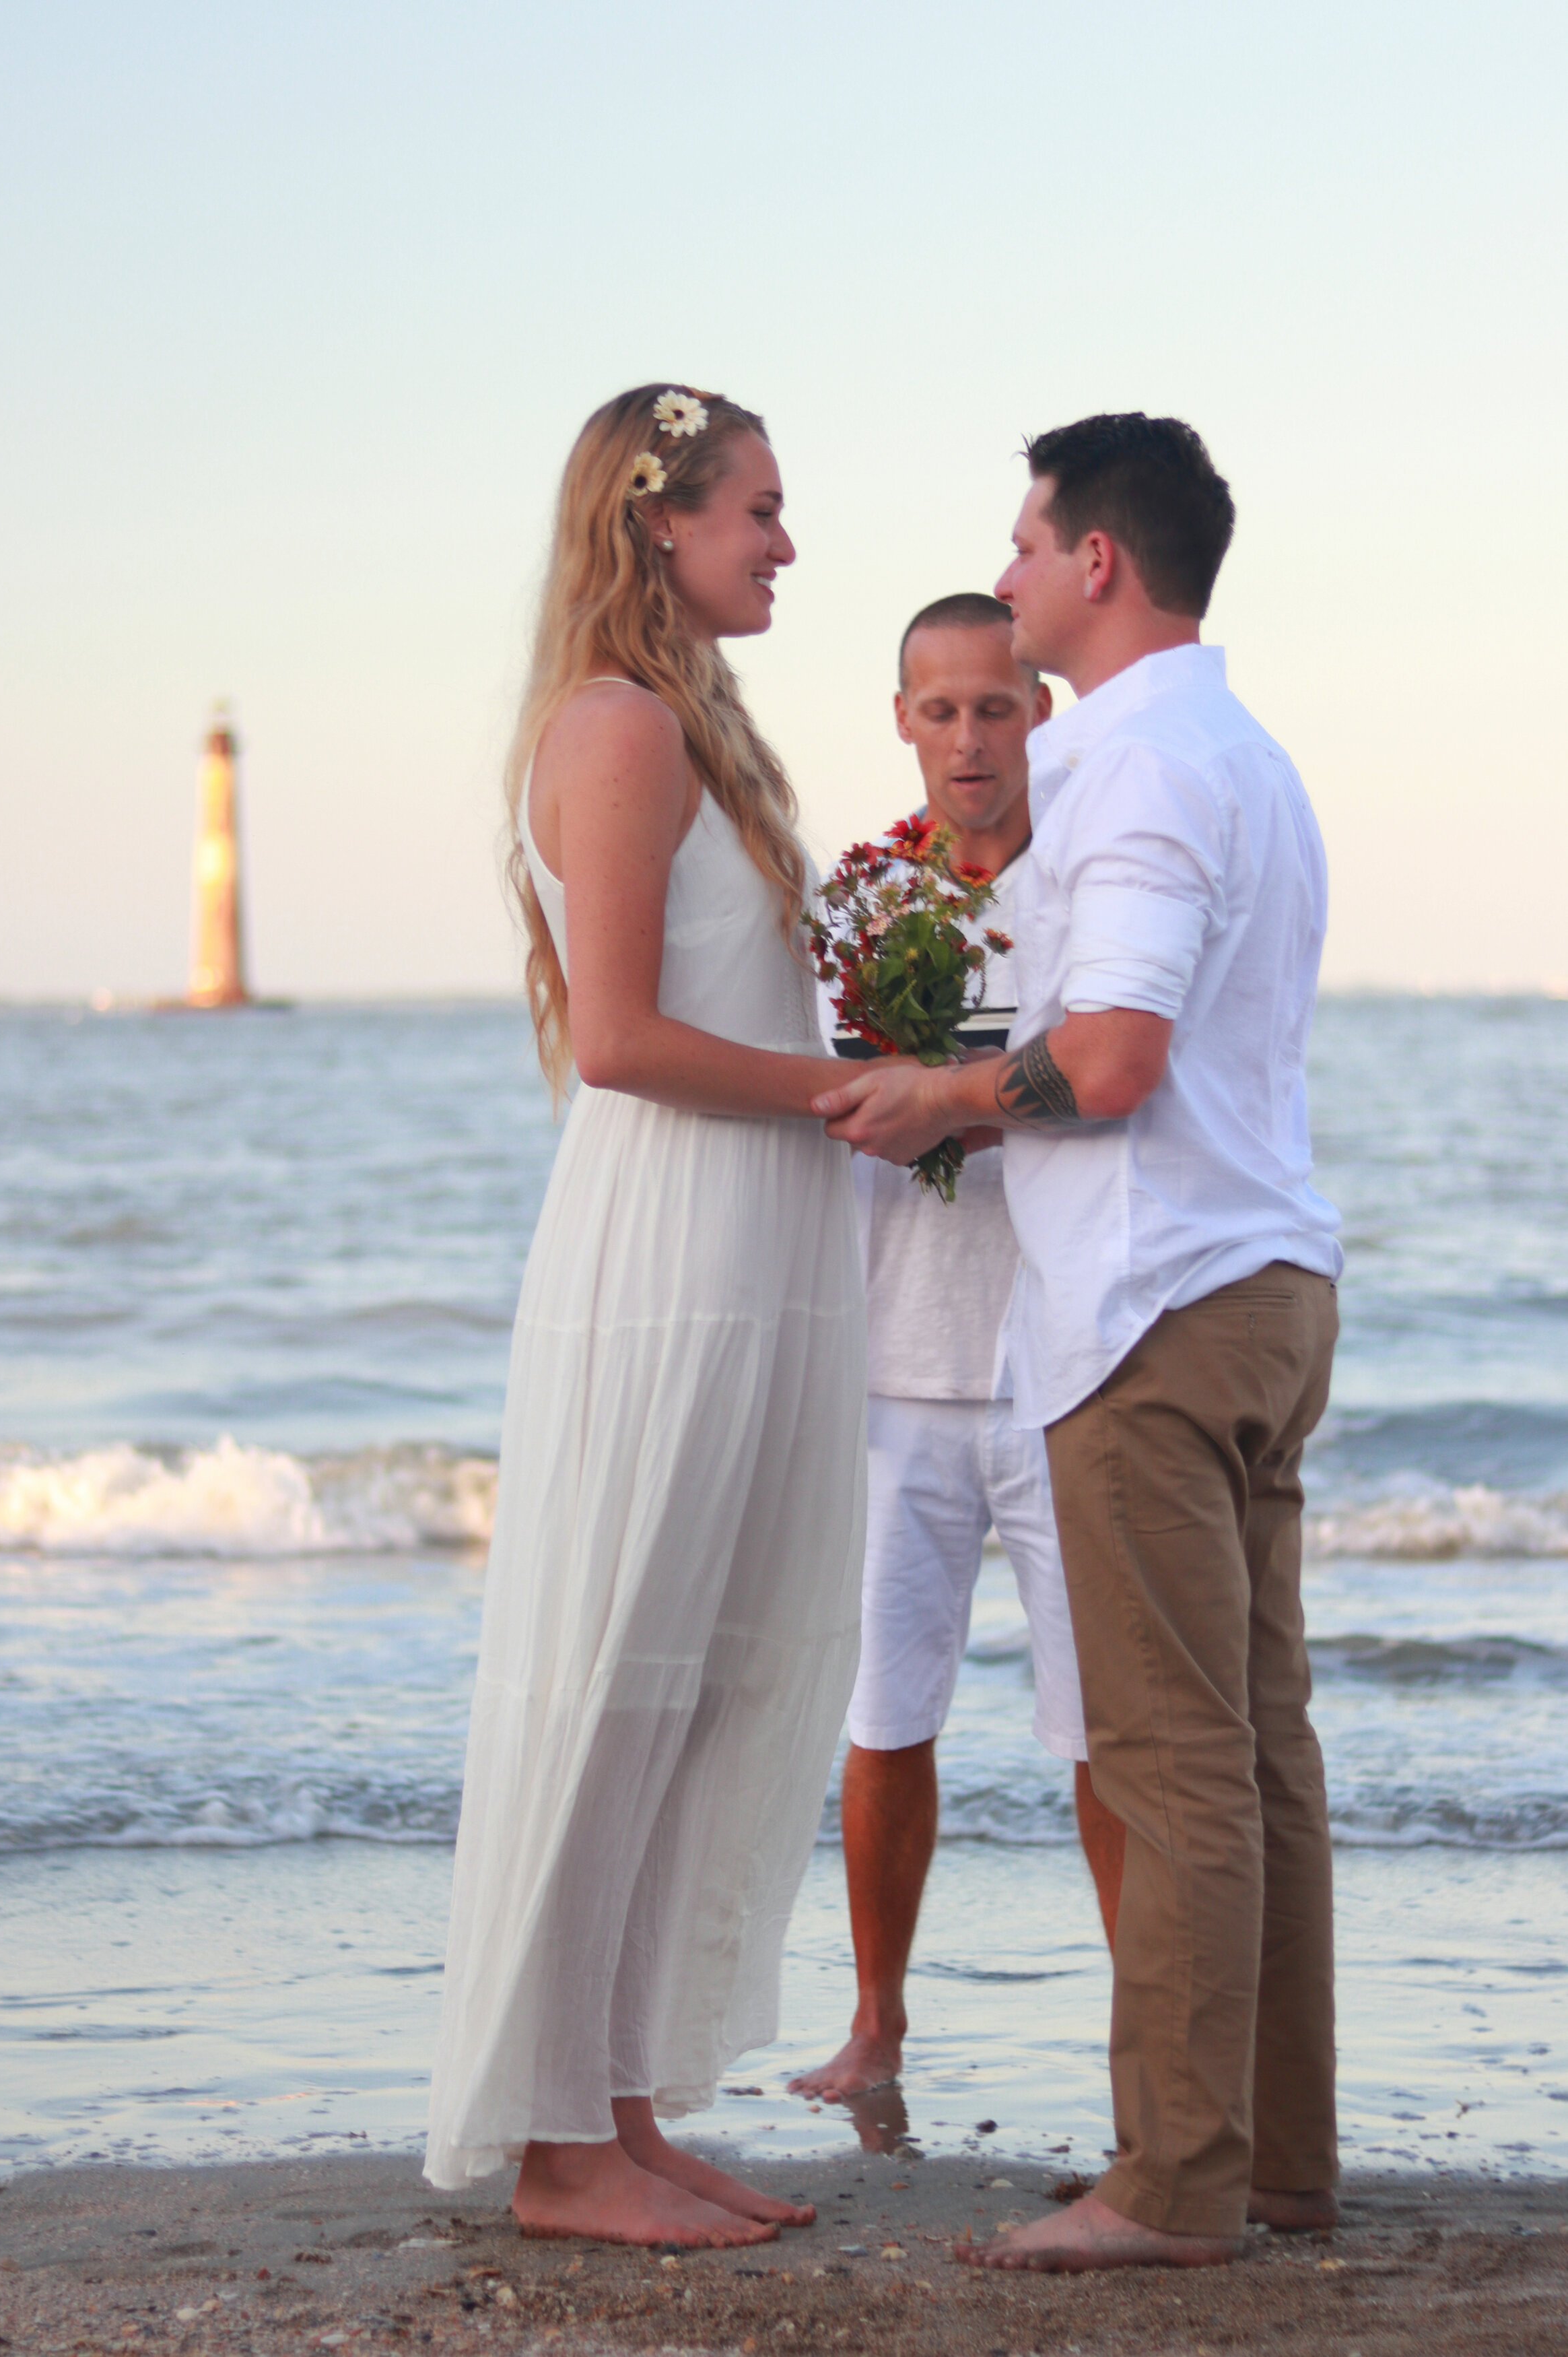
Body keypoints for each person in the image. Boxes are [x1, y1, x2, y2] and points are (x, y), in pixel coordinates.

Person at [815, 413, 1342, 2273]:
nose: (1011, 569)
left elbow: (1106, 1061)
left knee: (1167, 1754)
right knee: (1257, 1746)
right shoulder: (1244, 749)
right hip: (1266, 1282)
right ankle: (1278, 2155)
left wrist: (943, 1093)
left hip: (1149, 1309)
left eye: (1023, 541)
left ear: (1093, 561)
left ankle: (1172, 2182)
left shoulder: (1123, 760)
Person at [425, 385, 868, 2250]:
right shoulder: (614, 728)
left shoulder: (694, 728)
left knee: (700, 1681)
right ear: (653, 519)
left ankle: (616, 2108)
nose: (783, 541)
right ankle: (550, 2148)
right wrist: (847, 1092)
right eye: (758, 507)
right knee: (613, 1678)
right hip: (669, 1252)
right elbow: (615, 1040)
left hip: (749, 1245)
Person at [788, 595, 1124, 2111]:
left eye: (995, 706)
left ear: (1037, 709)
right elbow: (811, 1102)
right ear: (903, 718)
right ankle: (874, 2021)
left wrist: (961, 1098)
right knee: (884, 1713)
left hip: (1065, 1355)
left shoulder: (1085, 883)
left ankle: (1147, 2045)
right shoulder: (857, 903)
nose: (969, 736)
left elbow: (1118, 1077)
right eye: (939, 709)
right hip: (896, 1357)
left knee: (1099, 1725)